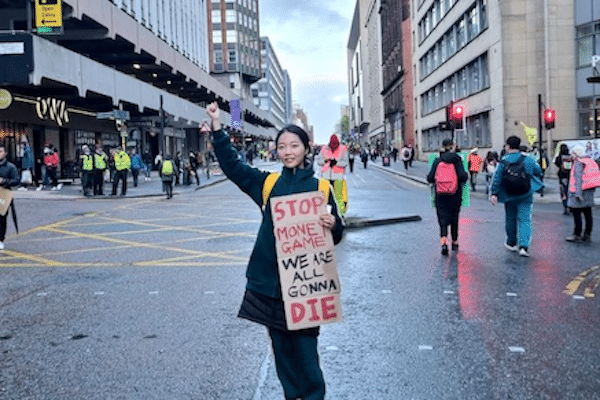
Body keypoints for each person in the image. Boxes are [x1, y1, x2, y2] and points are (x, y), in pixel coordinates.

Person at [206, 101, 344, 400]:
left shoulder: (322, 188)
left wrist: (333, 223)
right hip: (271, 288)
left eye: (294, 145)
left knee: (306, 355)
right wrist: (218, 126)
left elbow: (338, 233)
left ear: (306, 148)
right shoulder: (268, 184)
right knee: (282, 354)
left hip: (306, 286)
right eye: (282, 146)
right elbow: (233, 167)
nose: (288, 151)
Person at [490, 136, 544, 257]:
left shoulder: (503, 161)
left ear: (508, 146)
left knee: (510, 218)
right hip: (525, 194)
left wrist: (494, 193)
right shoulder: (527, 159)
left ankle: (511, 242)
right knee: (525, 219)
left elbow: (497, 178)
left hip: (508, 195)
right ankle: (524, 246)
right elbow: (538, 171)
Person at [427, 138, 469, 255]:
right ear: (453, 146)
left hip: (440, 195)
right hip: (455, 194)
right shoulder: (457, 160)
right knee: (454, 218)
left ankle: (444, 242)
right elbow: (462, 176)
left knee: (442, 219)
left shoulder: (437, 160)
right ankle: (454, 241)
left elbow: (430, 178)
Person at [565, 145, 599, 242]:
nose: (571, 155)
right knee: (588, 214)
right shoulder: (589, 161)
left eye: (573, 153)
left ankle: (577, 234)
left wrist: (577, 194)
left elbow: (578, 179)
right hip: (588, 191)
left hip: (579, 192)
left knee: (577, 214)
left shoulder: (579, 163)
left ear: (576, 153)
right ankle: (587, 234)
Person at [317, 134, 349, 214]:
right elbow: (319, 161)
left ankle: (340, 214)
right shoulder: (324, 149)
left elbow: (345, 162)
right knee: (324, 197)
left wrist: (336, 163)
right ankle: (323, 215)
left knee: (338, 197)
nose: (333, 144)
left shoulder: (343, 149)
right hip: (325, 177)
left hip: (338, 176)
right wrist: (325, 161)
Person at [0, 144, 19, 250]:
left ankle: (0, 239)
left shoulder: (10, 167)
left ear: (5, 153)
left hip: (4, 195)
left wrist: (4, 181)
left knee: (1, 218)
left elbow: (16, 180)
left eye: (0, 151)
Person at [554, 143, 573, 215]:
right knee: (570, 192)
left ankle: (565, 207)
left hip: (562, 176)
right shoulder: (570, 156)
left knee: (564, 192)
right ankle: (571, 207)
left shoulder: (559, 157)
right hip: (570, 176)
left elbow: (556, 163)